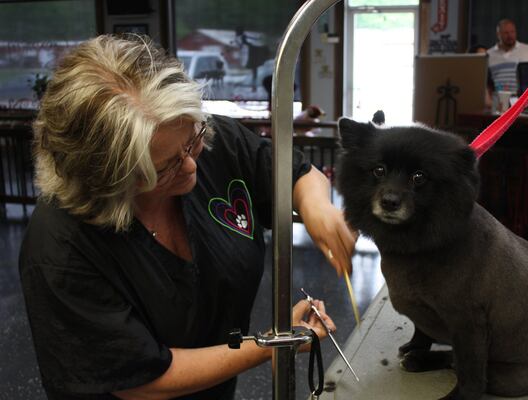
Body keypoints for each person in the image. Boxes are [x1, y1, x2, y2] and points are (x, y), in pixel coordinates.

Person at [19, 34, 356, 399]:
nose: (193, 165)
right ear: (108, 179)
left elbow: (298, 175)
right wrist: (273, 342)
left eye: (192, 141)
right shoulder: (61, 248)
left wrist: (317, 208)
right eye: (164, 168)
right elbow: (142, 380)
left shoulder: (206, 139)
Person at [487, 19, 528, 95]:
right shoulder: (489, 54)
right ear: (498, 34)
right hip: (498, 101)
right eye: (506, 33)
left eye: (512, 32)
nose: (510, 35)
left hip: (522, 100)